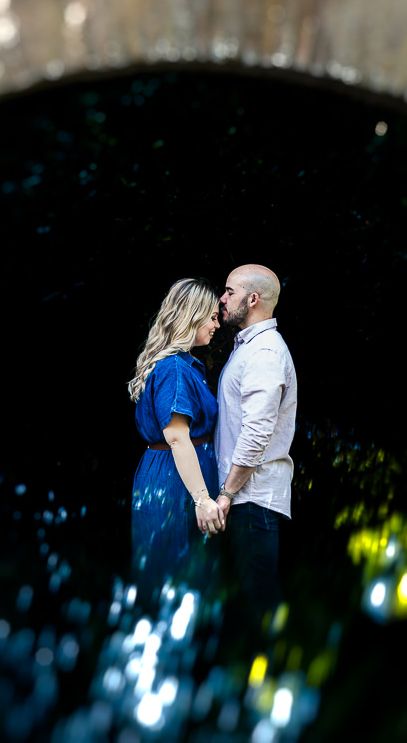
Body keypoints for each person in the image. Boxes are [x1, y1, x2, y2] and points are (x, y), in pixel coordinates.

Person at [128, 278, 227, 600]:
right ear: (192, 315)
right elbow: (177, 438)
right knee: (176, 577)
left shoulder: (183, 364)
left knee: (182, 575)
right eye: (212, 317)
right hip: (176, 480)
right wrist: (202, 499)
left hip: (175, 475)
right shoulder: (174, 368)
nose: (217, 325)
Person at [213, 264, 298, 628]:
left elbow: (256, 434)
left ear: (252, 299)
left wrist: (226, 495)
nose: (222, 298)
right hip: (246, 500)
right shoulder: (249, 347)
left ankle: (278, 656)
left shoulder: (264, 353)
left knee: (259, 602)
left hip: (251, 501)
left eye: (229, 292)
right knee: (246, 603)